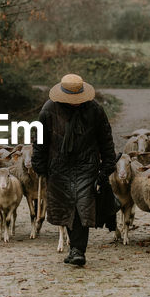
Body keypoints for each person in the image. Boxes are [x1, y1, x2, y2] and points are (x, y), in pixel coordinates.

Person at [32, 73, 117, 267]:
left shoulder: (95, 110)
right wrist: (39, 164)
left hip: (86, 165)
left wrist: (107, 165)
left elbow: (105, 137)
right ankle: (74, 249)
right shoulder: (49, 110)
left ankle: (78, 250)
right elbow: (40, 140)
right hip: (58, 165)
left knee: (82, 205)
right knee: (66, 206)